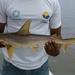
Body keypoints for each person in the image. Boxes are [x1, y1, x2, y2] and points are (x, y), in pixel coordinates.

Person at [0, 0, 62, 75]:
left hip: (41, 65)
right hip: (11, 65)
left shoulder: (52, 2)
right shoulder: (4, 1)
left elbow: (57, 35)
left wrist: (56, 50)